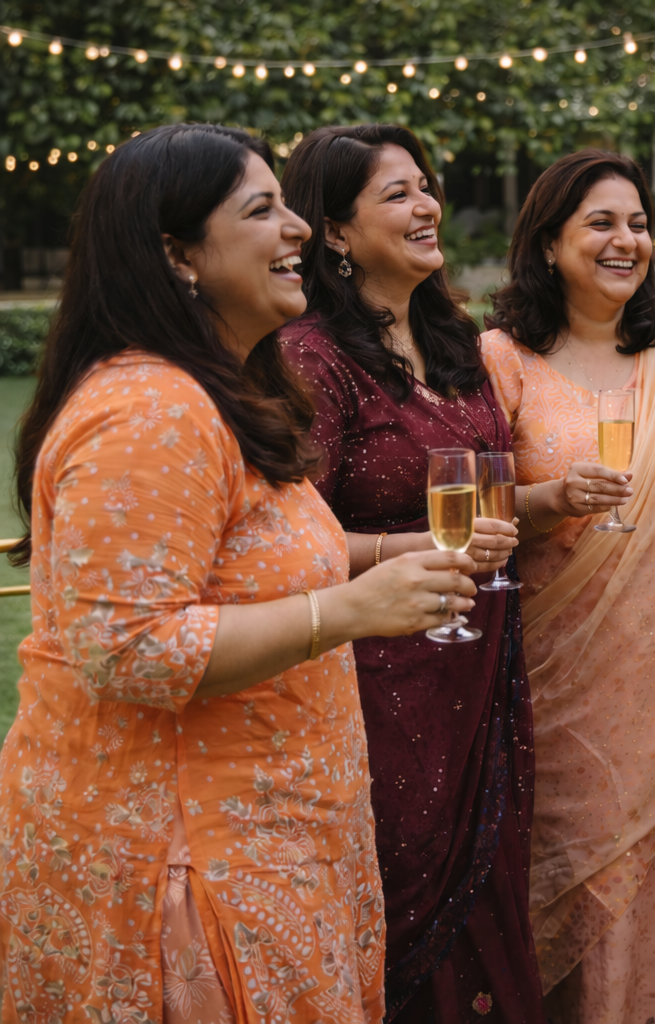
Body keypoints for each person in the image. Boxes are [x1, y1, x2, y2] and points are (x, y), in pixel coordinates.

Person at [0, 123, 478, 1022]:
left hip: (268, 835)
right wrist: (345, 610)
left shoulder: (221, 392)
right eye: (263, 209)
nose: (298, 227)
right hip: (184, 863)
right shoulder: (150, 409)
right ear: (178, 254)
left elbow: (242, 569)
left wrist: (392, 557)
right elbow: (131, 649)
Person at [277, 124, 541, 1021]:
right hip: (378, 684)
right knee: (399, 896)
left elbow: (489, 495)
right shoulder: (313, 359)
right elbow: (288, 545)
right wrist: (409, 553)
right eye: (397, 194)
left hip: (480, 661)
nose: (427, 205)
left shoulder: (456, 339)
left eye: (425, 187)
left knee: (489, 898)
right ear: (336, 234)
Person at [477, 150, 655, 1022]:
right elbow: (461, 509)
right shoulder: (500, 357)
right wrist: (550, 500)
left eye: (636, 222)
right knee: (552, 896)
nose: (625, 240)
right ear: (549, 242)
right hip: (552, 692)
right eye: (600, 222)